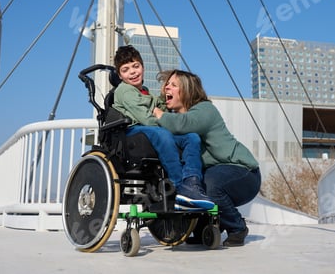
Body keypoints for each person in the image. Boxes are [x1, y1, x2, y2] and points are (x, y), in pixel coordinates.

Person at [153, 69, 261, 247]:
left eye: (173, 85)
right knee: (192, 187)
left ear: (187, 90)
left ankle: (237, 227)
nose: (167, 88)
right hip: (216, 171)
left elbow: (183, 125)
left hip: (244, 172)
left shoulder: (205, 110)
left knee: (210, 186)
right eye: (167, 85)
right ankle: (204, 228)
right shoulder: (174, 118)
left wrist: (158, 114)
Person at [112, 46, 214, 210]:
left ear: (143, 67)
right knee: (163, 134)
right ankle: (180, 186)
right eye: (125, 70)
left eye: (136, 66)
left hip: (151, 130)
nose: (132, 72)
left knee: (192, 137)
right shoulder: (124, 91)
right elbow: (146, 119)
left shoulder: (145, 92)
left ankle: (192, 182)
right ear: (120, 75)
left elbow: (159, 107)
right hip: (134, 131)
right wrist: (170, 124)